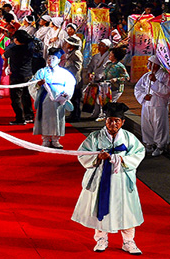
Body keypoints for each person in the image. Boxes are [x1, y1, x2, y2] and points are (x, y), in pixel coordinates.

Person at [71, 102, 145, 255]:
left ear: (122, 122)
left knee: (127, 210)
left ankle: (128, 241)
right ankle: (101, 238)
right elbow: (82, 153)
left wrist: (119, 158)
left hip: (122, 179)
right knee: (100, 206)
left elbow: (138, 153)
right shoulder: (95, 137)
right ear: (105, 121)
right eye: (110, 120)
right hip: (101, 178)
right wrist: (98, 158)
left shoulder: (129, 138)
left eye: (117, 121)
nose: (113, 123)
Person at [29, 48, 76, 148]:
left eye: (53, 58)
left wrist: (66, 94)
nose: (50, 60)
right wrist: (38, 85)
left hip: (59, 99)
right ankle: (45, 139)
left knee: (58, 118)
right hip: (45, 98)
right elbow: (32, 84)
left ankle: (56, 139)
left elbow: (70, 85)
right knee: (45, 118)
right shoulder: (41, 72)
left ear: (59, 60)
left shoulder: (65, 73)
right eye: (49, 58)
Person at [134, 55, 170, 157]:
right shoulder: (146, 76)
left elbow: (166, 91)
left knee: (159, 125)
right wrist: (143, 96)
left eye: (150, 62)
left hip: (158, 105)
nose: (148, 64)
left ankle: (160, 145)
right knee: (146, 124)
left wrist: (155, 81)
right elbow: (138, 88)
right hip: (147, 105)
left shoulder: (164, 76)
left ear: (155, 64)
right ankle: (149, 144)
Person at [4, 30, 35, 125]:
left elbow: (4, 55)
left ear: (16, 39)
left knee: (16, 97)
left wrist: (12, 44)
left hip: (17, 75)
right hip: (28, 74)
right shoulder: (29, 48)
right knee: (26, 96)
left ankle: (20, 118)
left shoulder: (13, 49)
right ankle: (29, 116)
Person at [61, 35, 84, 122]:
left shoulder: (76, 53)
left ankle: (76, 116)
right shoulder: (71, 52)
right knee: (73, 98)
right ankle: (72, 114)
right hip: (71, 78)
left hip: (75, 79)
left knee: (76, 99)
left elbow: (77, 67)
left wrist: (67, 65)